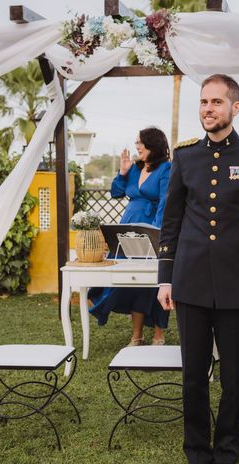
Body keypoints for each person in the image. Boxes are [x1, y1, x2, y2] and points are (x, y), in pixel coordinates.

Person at [157, 74, 239, 464]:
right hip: (190, 283)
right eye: (203, 102)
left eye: (216, 102)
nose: (208, 109)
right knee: (193, 375)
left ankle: (226, 453)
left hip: (237, 285)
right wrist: (165, 277)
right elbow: (171, 220)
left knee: (234, 377)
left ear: (235, 107)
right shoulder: (185, 156)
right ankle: (197, 454)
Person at [89, 127, 172, 346]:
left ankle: (158, 335)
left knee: (154, 282)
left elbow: (165, 202)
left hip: (152, 228)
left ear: (152, 144)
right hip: (128, 227)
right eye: (136, 142)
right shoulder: (135, 167)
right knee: (131, 281)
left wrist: (156, 234)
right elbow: (116, 192)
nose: (137, 146)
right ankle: (136, 335)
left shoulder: (166, 169)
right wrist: (123, 172)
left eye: (140, 142)